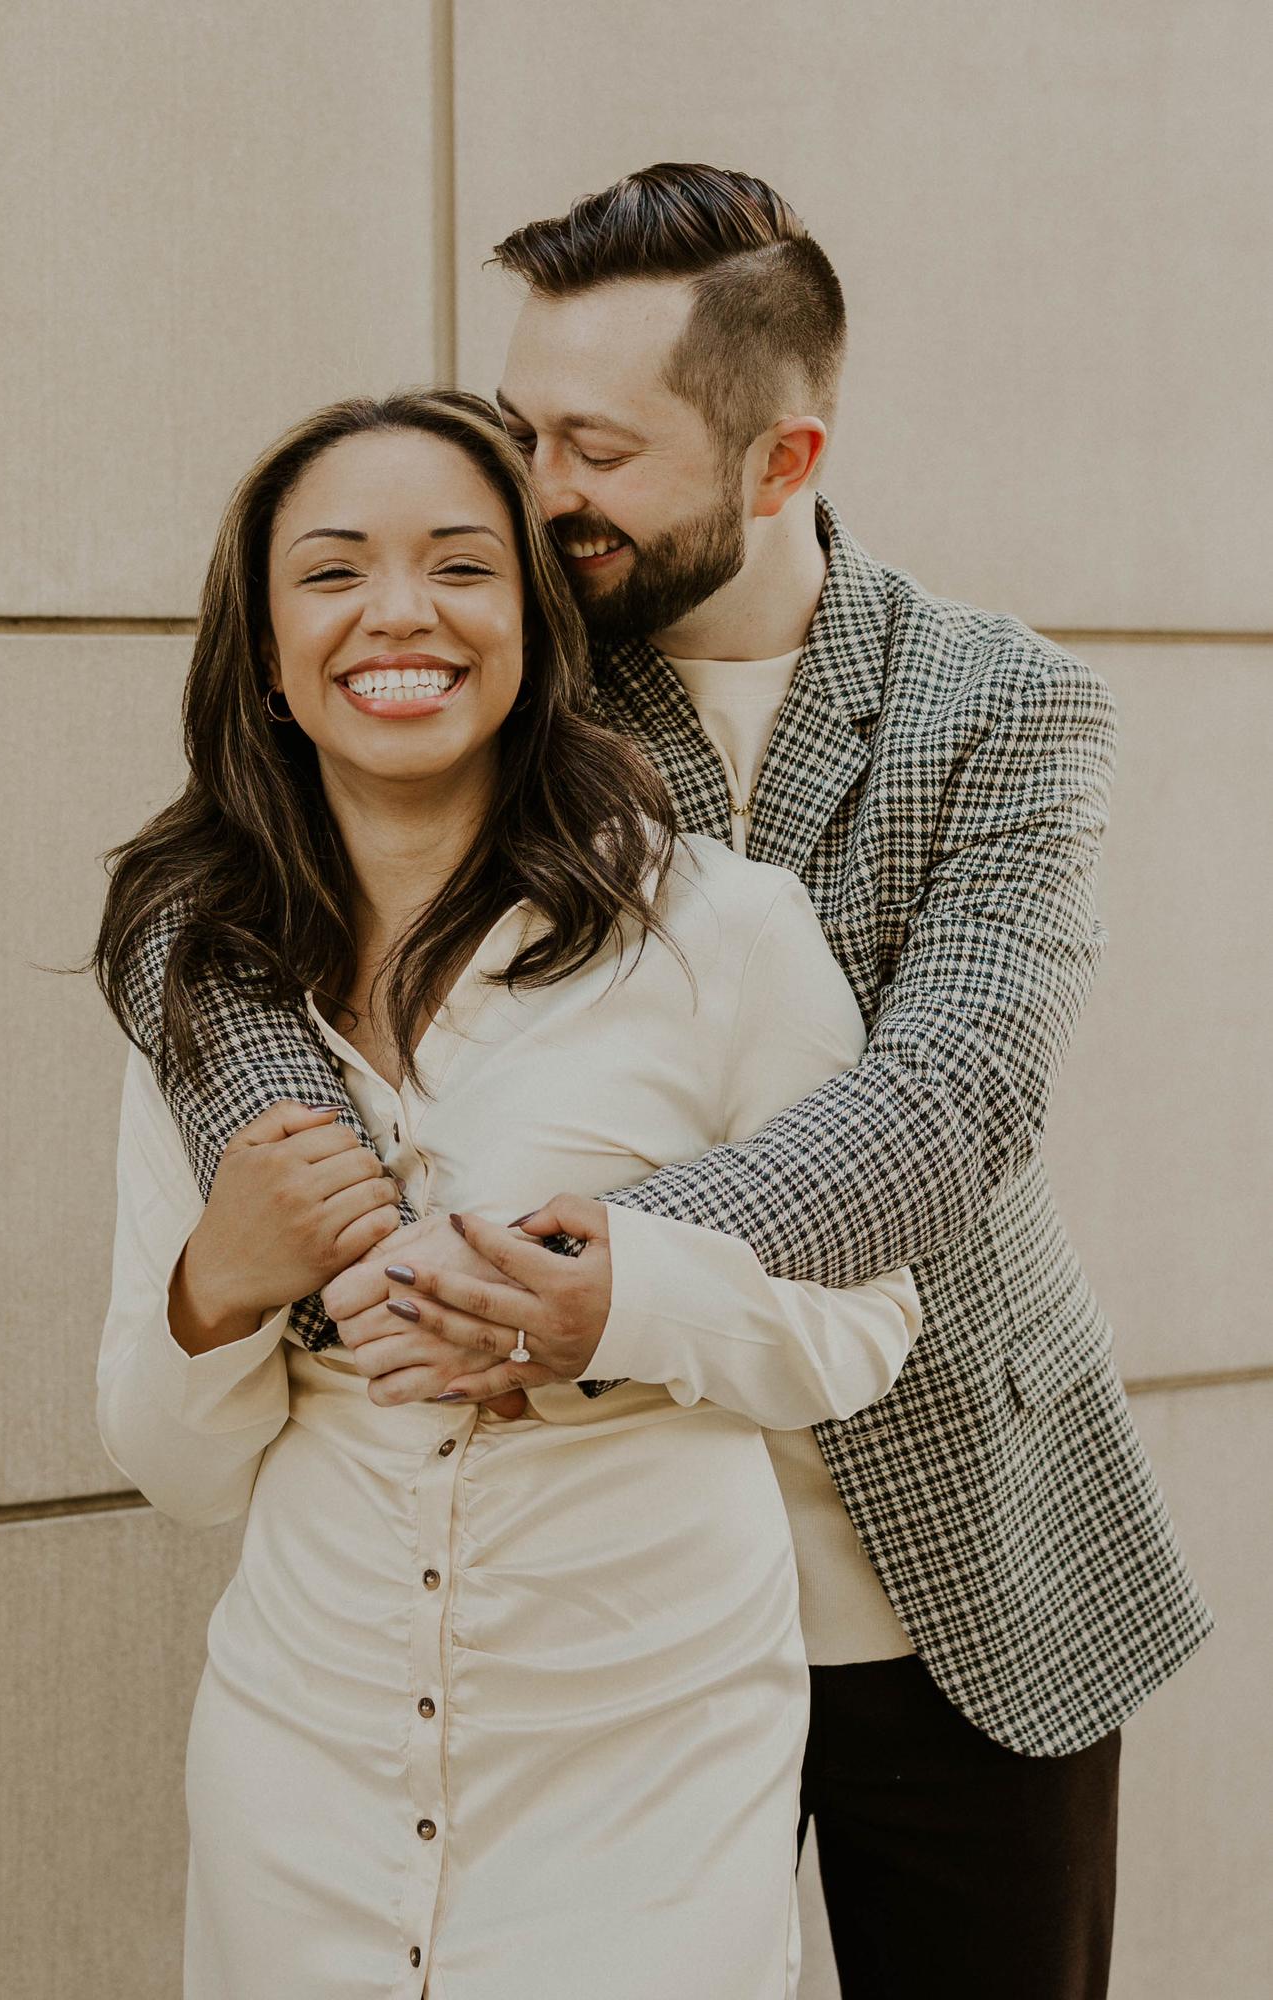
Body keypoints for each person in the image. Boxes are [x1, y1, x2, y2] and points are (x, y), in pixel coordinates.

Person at [135, 167, 1213, 2000]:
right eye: (522, 427)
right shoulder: (502, 664)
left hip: (960, 1567)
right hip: (589, 1640)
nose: (536, 485)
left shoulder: (1006, 704)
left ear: (783, 462)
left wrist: (560, 1271)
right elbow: (219, 886)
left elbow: (956, 1096)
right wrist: (312, 1213)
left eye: (597, 449)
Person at [94, 389, 923, 1999]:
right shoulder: (210, 991)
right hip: (302, 1765)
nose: (399, 612)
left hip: (644, 1764)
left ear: (539, 633)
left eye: (462, 566)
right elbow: (174, 1469)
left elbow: (865, 1328)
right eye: (333, 572)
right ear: (266, 656)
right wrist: (221, 1282)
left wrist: (619, 1311)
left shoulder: (721, 933)